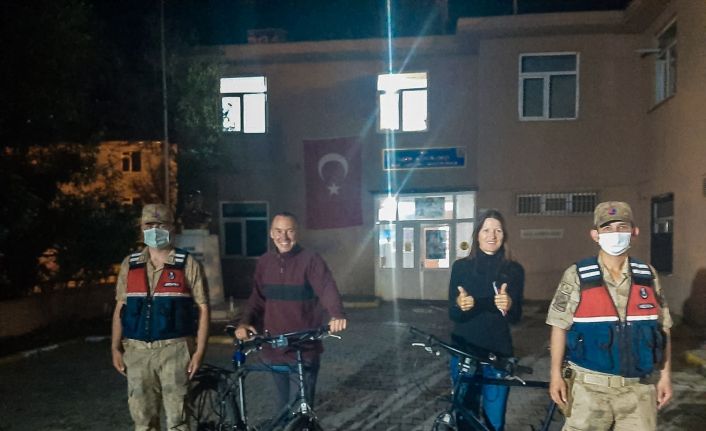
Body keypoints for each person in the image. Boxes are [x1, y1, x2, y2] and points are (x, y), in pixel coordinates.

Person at [546, 201, 673, 430]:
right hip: (588, 389)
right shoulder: (577, 275)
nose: (615, 233)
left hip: (639, 390)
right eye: (607, 228)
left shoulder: (647, 275)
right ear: (595, 235)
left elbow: (664, 328)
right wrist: (555, 375)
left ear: (634, 232)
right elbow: (558, 326)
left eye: (622, 227)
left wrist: (665, 376)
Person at [234, 212, 347, 414]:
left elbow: (327, 288)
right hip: (274, 347)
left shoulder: (310, 260)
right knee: (282, 407)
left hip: (303, 348)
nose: (284, 237)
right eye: (278, 231)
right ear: (271, 233)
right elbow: (257, 298)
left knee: (301, 411)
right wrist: (245, 322)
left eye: (289, 231)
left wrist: (336, 314)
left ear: (297, 233)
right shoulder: (265, 262)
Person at [111, 203, 210, 431]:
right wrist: (115, 347)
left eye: (161, 225)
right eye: (149, 225)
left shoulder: (187, 264)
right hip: (137, 353)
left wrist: (199, 352)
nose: (154, 230)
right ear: (141, 228)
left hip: (175, 351)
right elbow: (120, 307)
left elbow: (203, 308)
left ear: (172, 228)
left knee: (178, 421)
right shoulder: (130, 265)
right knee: (143, 421)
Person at [448, 209, 524, 431]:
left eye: (497, 230)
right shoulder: (461, 267)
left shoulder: (514, 270)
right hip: (464, 352)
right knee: (465, 418)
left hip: (498, 356)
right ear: (477, 235)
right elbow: (453, 314)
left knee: (494, 423)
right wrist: (460, 305)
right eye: (486, 230)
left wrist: (509, 305)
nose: (492, 235)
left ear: (504, 235)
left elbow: (516, 317)